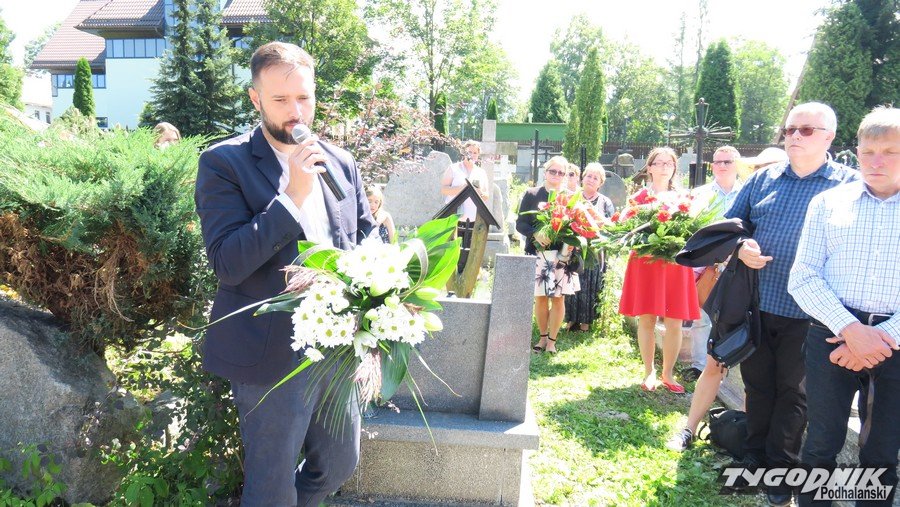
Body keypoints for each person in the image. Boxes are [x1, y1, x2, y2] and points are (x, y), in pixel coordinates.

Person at [194, 42, 376, 507]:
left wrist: (386, 289)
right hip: (269, 350)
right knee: (271, 484)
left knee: (339, 463)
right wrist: (292, 197)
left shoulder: (341, 162)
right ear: (255, 98)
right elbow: (227, 262)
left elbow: (364, 236)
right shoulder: (224, 163)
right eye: (280, 99)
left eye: (304, 98)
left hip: (336, 346)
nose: (296, 112)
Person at [722, 102, 859, 507]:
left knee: (794, 394)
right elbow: (731, 226)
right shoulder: (763, 179)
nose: (795, 136)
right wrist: (741, 245)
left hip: (815, 313)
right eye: (790, 129)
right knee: (758, 385)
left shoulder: (850, 185)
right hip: (760, 303)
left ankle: (781, 471)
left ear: (830, 137)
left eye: (807, 130)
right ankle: (754, 456)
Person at [788, 106, 900, 507]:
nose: (876, 162)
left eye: (890, 152)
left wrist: (882, 338)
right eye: (868, 152)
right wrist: (852, 331)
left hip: (896, 342)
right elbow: (803, 276)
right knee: (821, 443)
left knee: (882, 451)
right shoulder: (828, 203)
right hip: (832, 335)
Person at [668, 145, 744, 450]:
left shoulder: (746, 192)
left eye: (728, 161)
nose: (722, 165)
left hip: (739, 268)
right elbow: (693, 231)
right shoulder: (700, 194)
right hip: (708, 266)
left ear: (737, 164)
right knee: (701, 317)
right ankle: (700, 365)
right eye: (718, 162)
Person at [618, 147, 699, 394]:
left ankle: (668, 373)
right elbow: (627, 227)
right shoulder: (639, 198)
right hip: (646, 263)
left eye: (669, 163)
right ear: (649, 168)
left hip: (675, 265)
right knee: (647, 318)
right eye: (659, 163)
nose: (664, 167)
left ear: (674, 168)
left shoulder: (684, 199)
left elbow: (693, 230)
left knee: (675, 320)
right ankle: (648, 371)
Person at [516, 156, 579, 354]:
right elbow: (520, 224)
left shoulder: (570, 198)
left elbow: (577, 227)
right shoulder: (532, 194)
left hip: (562, 256)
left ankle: (552, 341)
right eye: (553, 171)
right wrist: (535, 233)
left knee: (558, 298)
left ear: (566, 176)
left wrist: (572, 244)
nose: (556, 175)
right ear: (545, 172)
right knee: (541, 297)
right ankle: (542, 338)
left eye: (561, 172)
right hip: (538, 254)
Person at [565, 163, 614, 332]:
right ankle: (571, 319)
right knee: (572, 282)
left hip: (595, 251)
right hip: (574, 248)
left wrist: (596, 219)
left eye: (595, 178)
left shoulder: (605, 202)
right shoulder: (573, 198)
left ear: (600, 183)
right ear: (583, 177)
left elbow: (611, 226)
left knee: (591, 285)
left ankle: (586, 322)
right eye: (589, 176)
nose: (591, 180)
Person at [441, 140, 489, 221]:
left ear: (478, 155)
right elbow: (444, 190)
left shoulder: (481, 172)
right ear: (464, 153)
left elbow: (486, 196)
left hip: (472, 217)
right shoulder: (453, 168)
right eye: (469, 152)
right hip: (453, 214)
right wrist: (463, 188)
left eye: (475, 153)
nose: (472, 155)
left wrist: (479, 192)